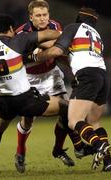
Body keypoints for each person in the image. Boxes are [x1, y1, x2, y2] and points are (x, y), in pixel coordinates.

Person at [0, 13, 70, 175]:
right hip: (23, 99)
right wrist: (66, 34)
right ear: (11, 29)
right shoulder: (16, 41)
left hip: (3, 100)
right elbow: (47, 34)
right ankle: (68, 147)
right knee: (66, 107)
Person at [33, 7, 111, 171]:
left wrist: (35, 56)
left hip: (87, 76)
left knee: (73, 121)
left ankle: (99, 145)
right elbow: (69, 53)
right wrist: (41, 44)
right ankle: (109, 163)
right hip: (103, 76)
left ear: (79, 19)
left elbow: (57, 49)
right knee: (94, 122)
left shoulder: (73, 28)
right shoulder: (97, 36)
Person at [14, 0, 85, 172]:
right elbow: (17, 59)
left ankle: (61, 149)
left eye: (44, 14)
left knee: (67, 111)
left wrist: (71, 74)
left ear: (49, 15)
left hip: (52, 74)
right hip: (29, 77)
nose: (42, 19)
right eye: (38, 15)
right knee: (28, 119)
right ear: (31, 17)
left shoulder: (54, 26)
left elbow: (60, 53)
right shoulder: (21, 33)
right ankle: (20, 152)